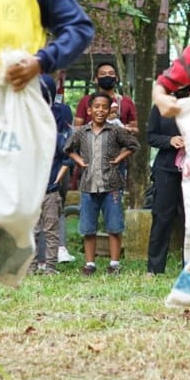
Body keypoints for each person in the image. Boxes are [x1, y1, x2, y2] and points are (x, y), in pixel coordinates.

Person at [64, 92, 139, 275]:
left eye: (105, 107)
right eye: (96, 107)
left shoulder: (115, 130)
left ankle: (114, 264)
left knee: (114, 226)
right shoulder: (81, 132)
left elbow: (133, 145)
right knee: (88, 227)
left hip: (111, 185)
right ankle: (90, 264)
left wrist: (119, 158)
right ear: (89, 110)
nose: (100, 110)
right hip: (88, 186)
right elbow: (67, 149)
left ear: (110, 111)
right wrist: (79, 161)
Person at [31, 75, 70, 275]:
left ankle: (50, 267)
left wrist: (57, 178)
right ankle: (30, 267)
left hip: (50, 190)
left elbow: (67, 157)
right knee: (31, 231)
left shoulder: (56, 131)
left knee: (51, 229)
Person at [145, 103, 184, 276]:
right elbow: (150, 136)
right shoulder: (161, 106)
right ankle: (154, 268)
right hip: (166, 169)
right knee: (161, 217)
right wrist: (169, 140)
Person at [75, 61, 138, 133]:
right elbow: (77, 128)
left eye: (111, 73)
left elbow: (135, 129)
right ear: (96, 79)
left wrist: (127, 129)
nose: (107, 76)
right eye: (103, 74)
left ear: (116, 78)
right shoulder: (86, 101)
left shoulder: (126, 101)